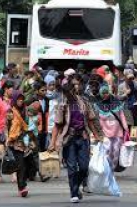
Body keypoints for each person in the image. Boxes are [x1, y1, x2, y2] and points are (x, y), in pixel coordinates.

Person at [49, 74, 101, 203]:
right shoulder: (63, 102)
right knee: (72, 167)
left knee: (84, 167)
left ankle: (76, 186)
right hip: (69, 139)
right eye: (74, 84)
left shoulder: (85, 101)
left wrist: (97, 135)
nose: (77, 86)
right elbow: (57, 125)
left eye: (78, 84)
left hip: (83, 137)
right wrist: (52, 142)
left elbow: (90, 120)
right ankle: (74, 193)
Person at [7, 92, 36, 197]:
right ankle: (22, 187)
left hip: (25, 141)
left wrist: (32, 139)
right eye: (18, 99)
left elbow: (29, 126)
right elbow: (7, 126)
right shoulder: (10, 112)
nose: (21, 101)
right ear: (14, 100)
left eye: (22, 99)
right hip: (14, 142)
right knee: (21, 165)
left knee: (29, 163)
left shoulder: (25, 111)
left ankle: (23, 183)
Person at [95, 84, 128, 170]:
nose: (104, 95)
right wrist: (96, 132)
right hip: (105, 131)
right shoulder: (98, 105)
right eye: (103, 93)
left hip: (117, 131)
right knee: (107, 150)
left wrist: (126, 128)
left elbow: (122, 116)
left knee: (116, 150)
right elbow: (96, 120)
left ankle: (112, 169)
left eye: (106, 93)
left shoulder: (117, 103)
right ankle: (107, 169)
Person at [0, 80, 14, 183]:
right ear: (5, 89)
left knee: (13, 152)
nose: (13, 90)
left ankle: (14, 173)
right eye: (11, 88)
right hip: (0, 131)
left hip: (12, 130)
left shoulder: (13, 100)